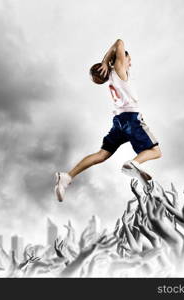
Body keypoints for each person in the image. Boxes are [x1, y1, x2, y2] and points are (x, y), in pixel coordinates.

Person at [55, 39, 162, 202]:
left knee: (102, 154)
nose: (130, 64)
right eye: (129, 59)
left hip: (118, 121)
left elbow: (117, 51)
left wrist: (107, 62)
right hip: (131, 119)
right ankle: (133, 165)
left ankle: (67, 177)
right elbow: (119, 42)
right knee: (155, 152)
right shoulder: (118, 69)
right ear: (120, 59)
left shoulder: (113, 76)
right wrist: (106, 61)